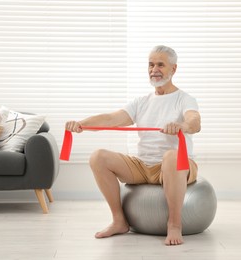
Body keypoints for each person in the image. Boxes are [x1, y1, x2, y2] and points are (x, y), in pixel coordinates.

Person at [65, 45, 201, 246]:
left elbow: (195, 122)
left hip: (176, 165)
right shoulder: (141, 102)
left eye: (160, 65)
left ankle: (174, 224)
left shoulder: (184, 99)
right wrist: (81, 124)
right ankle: (119, 221)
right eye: (151, 64)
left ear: (173, 69)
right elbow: (111, 118)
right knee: (98, 157)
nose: (154, 69)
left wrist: (182, 126)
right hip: (143, 166)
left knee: (171, 155)